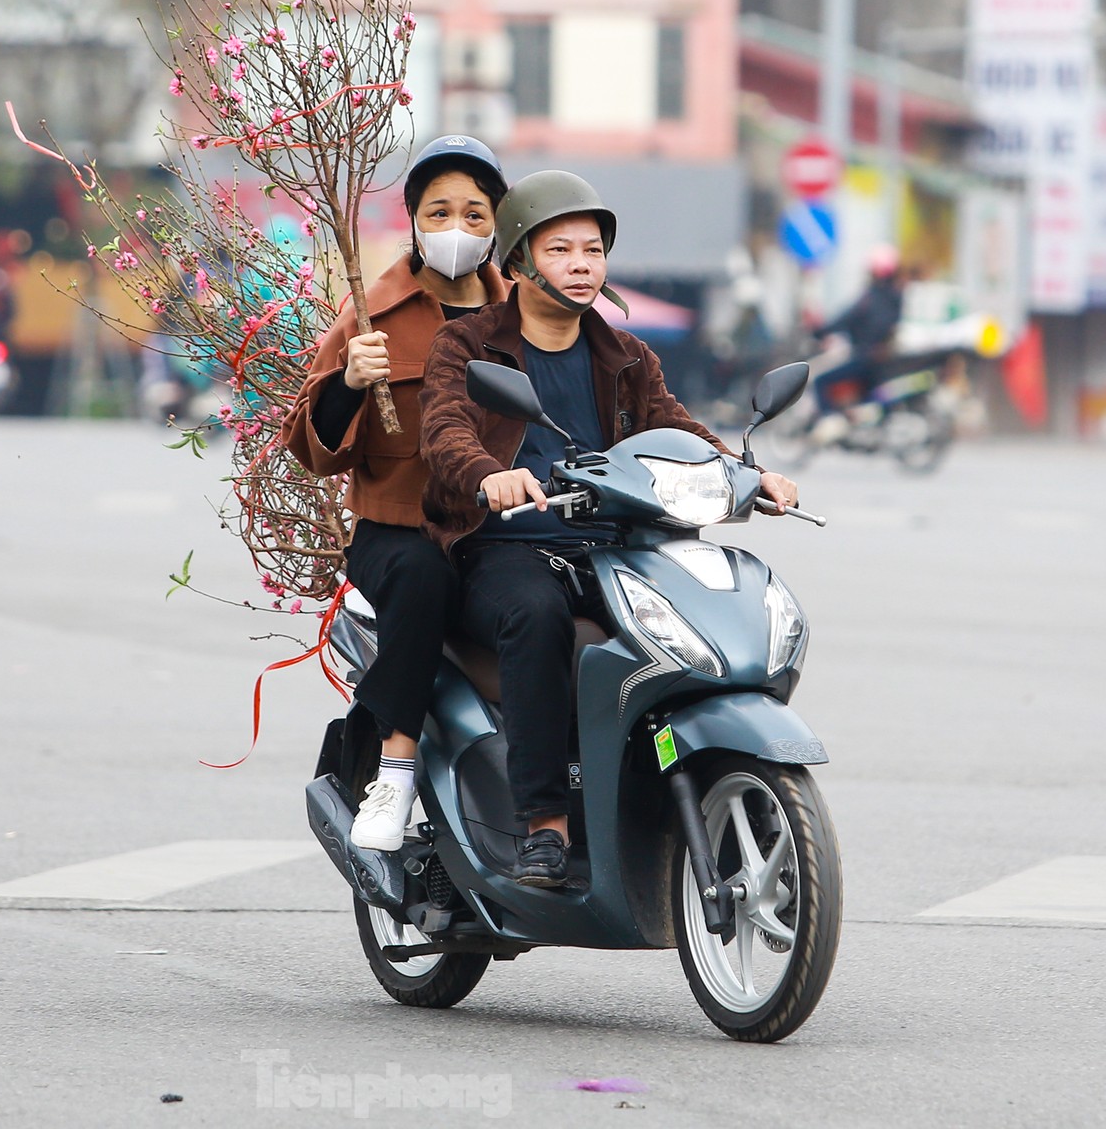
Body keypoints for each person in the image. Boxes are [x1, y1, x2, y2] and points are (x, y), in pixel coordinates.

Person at [418, 171, 799, 888]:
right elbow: (443, 432)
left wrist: (747, 474)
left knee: (701, 621)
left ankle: (709, 785)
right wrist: (485, 473)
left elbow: (676, 426)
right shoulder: (467, 346)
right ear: (521, 260)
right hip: (504, 547)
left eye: (593, 250)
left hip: (611, 548)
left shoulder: (626, 356)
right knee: (538, 616)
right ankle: (544, 822)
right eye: (560, 249)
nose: (582, 263)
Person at [281, 135, 511, 852]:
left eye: (475, 214)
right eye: (440, 211)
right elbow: (310, 445)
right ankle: (392, 766)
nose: (457, 228)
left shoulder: (524, 316)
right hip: (397, 529)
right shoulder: (372, 312)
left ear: (497, 224)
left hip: (500, 530)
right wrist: (349, 382)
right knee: (422, 575)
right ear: (412, 221)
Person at [809, 242, 905, 424]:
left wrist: (820, 331)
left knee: (821, 381)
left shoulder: (872, 297)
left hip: (864, 357)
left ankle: (830, 421)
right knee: (866, 394)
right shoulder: (895, 296)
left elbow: (846, 318)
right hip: (880, 359)